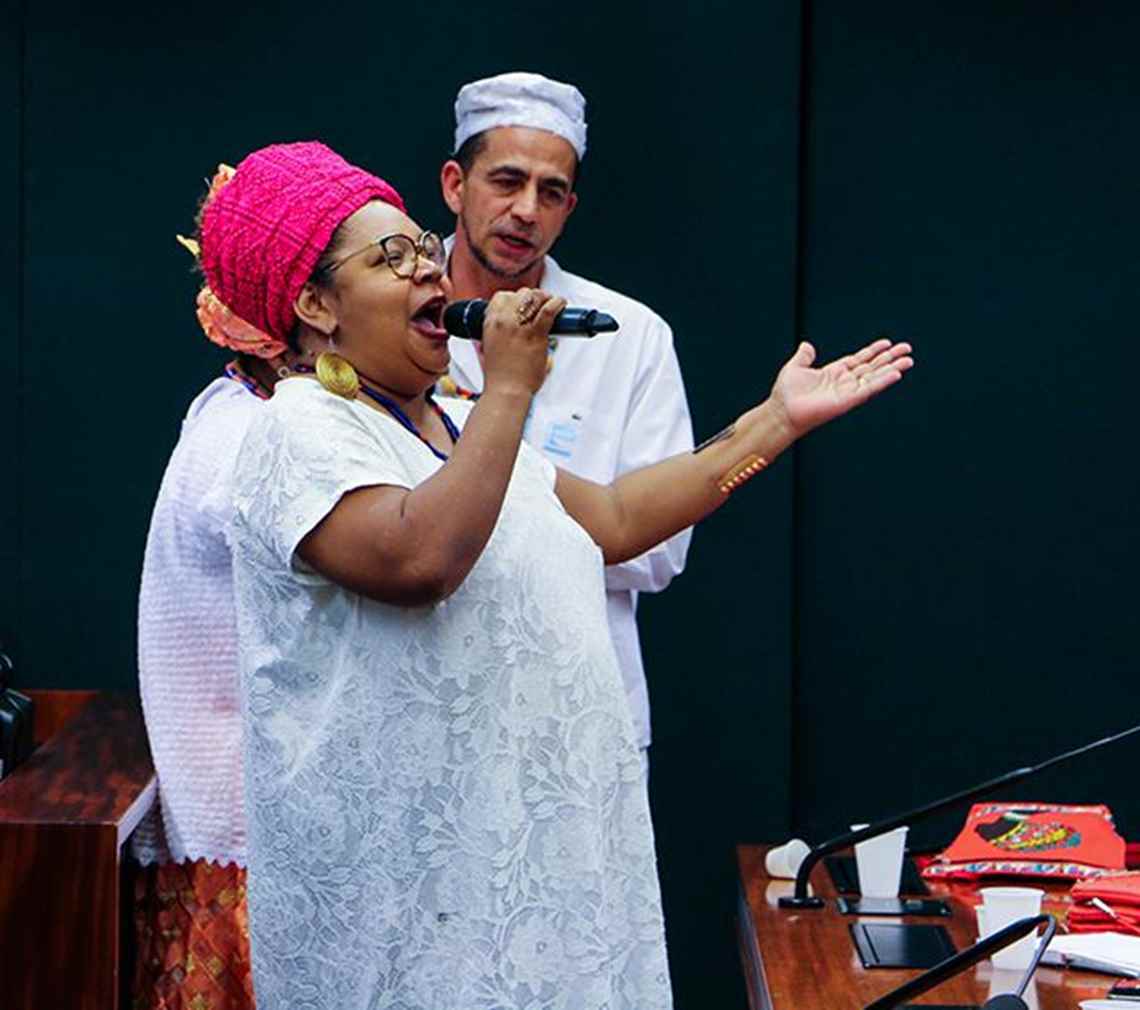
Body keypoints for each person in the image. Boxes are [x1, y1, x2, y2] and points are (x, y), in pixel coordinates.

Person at [195, 140, 911, 1010]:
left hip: (534, 873)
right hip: (413, 911)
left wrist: (775, 421)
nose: (428, 270)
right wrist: (509, 388)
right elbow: (419, 559)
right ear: (315, 303)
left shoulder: (450, 425)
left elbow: (613, 518)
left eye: (423, 248)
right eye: (392, 258)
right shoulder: (294, 429)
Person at [440, 72, 692, 761]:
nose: (526, 210)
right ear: (455, 185)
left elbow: (660, 548)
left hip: (581, 713)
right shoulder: (395, 317)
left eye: (550, 192)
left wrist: (465, 505)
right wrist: (592, 515)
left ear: (570, 207)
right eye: (506, 181)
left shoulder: (629, 334)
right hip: (432, 696)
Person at [133, 167, 309, 1010]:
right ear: (310, 310)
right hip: (246, 839)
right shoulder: (250, 439)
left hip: (257, 830)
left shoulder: (242, 410)